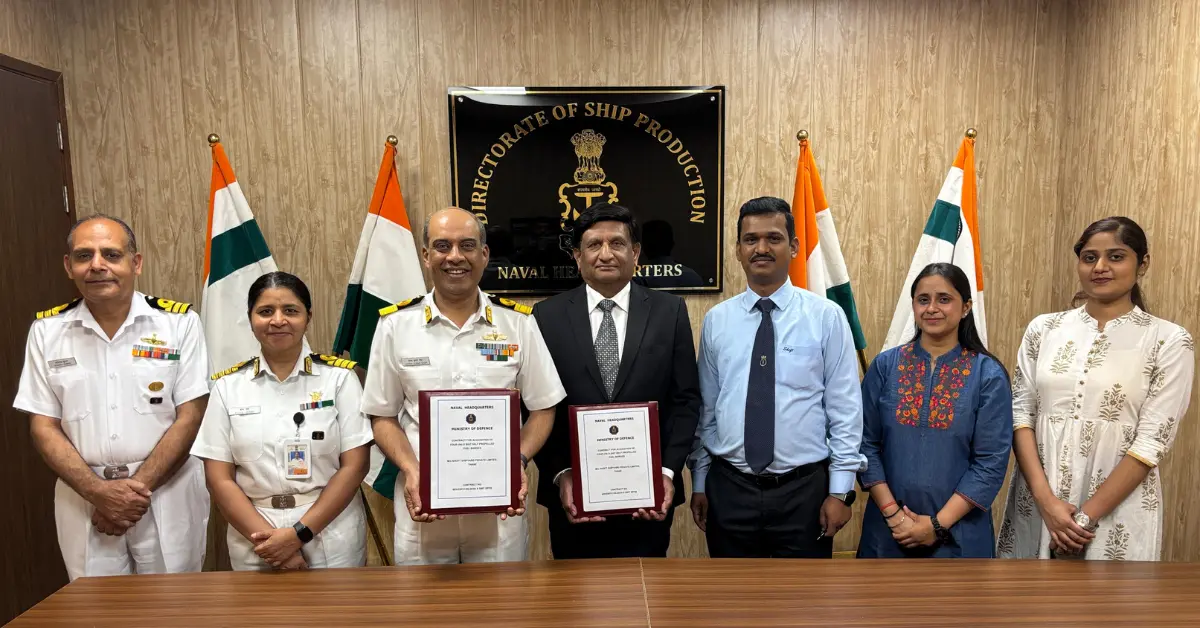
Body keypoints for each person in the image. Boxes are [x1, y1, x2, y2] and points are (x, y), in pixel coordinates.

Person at [362, 207, 566, 565]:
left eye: (467, 245)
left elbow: (543, 407)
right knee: (424, 613)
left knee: (501, 613)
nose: (455, 257)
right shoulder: (396, 326)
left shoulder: (517, 323)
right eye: (442, 246)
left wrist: (516, 460)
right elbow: (382, 415)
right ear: (426, 256)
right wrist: (411, 470)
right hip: (422, 504)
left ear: (484, 255)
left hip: (497, 512)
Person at [14, 215, 210, 580]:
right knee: (94, 611)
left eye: (111, 254)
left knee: (174, 609)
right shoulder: (47, 332)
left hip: (166, 494)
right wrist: (99, 493)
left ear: (136, 263)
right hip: (84, 496)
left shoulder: (179, 324)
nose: (97, 265)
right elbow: (42, 425)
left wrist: (132, 495)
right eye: (84, 255)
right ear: (68, 266)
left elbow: (192, 415)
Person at [998, 217, 1194, 561]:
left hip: (1117, 511)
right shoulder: (1044, 329)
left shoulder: (1169, 340)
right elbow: (1020, 414)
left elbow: (1153, 441)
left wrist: (1082, 520)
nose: (1100, 267)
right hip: (1039, 505)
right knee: (1026, 609)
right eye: (1090, 258)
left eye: (1116, 257)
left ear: (1142, 263)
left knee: (1107, 612)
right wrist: (1048, 504)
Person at [689, 196, 864, 558]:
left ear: (794, 246)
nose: (761, 248)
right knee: (732, 608)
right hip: (730, 490)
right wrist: (701, 481)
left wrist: (841, 491)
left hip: (804, 493)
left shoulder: (826, 317)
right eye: (751, 239)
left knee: (804, 607)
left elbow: (845, 409)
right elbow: (706, 410)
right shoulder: (717, 321)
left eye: (774, 238)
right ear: (738, 250)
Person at [532, 203, 702, 558]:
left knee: (647, 602)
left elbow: (685, 400)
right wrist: (561, 473)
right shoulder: (545, 316)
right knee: (573, 603)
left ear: (636, 252)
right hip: (574, 497)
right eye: (594, 245)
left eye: (617, 243)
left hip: (649, 496)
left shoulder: (670, 312)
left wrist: (668, 473)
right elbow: (535, 406)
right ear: (577, 256)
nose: (605, 254)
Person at [190, 272, 371, 570]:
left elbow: (355, 466)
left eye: (290, 310)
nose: (278, 320)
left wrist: (298, 535)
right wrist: (272, 543)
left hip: (329, 529)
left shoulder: (339, 380)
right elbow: (219, 478)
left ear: (308, 317)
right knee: (261, 618)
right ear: (250, 319)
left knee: (338, 616)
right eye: (265, 312)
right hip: (256, 536)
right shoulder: (227, 387)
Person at [857, 263, 1012, 558]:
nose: (932, 308)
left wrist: (938, 525)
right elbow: (865, 444)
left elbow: (990, 462)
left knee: (956, 606)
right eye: (923, 299)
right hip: (889, 531)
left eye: (944, 299)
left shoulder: (987, 375)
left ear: (965, 307)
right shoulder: (885, 366)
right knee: (881, 605)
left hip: (960, 534)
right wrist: (894, 516)